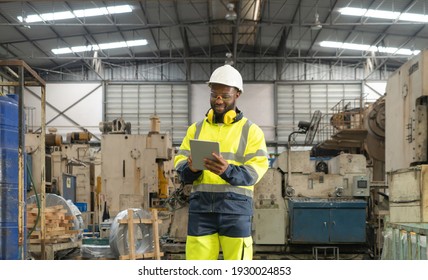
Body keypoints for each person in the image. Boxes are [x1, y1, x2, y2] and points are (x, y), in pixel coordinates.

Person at [174, 64, 269, 260]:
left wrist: (228, 170)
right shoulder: (195, 129)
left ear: (237, 95)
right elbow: (180, 166)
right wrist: (190, 168)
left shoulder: (251, 131)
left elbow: (256, 170)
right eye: (214, 95)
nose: (218, 100)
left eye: (225, 96)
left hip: (235, 210)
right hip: (201, 211)